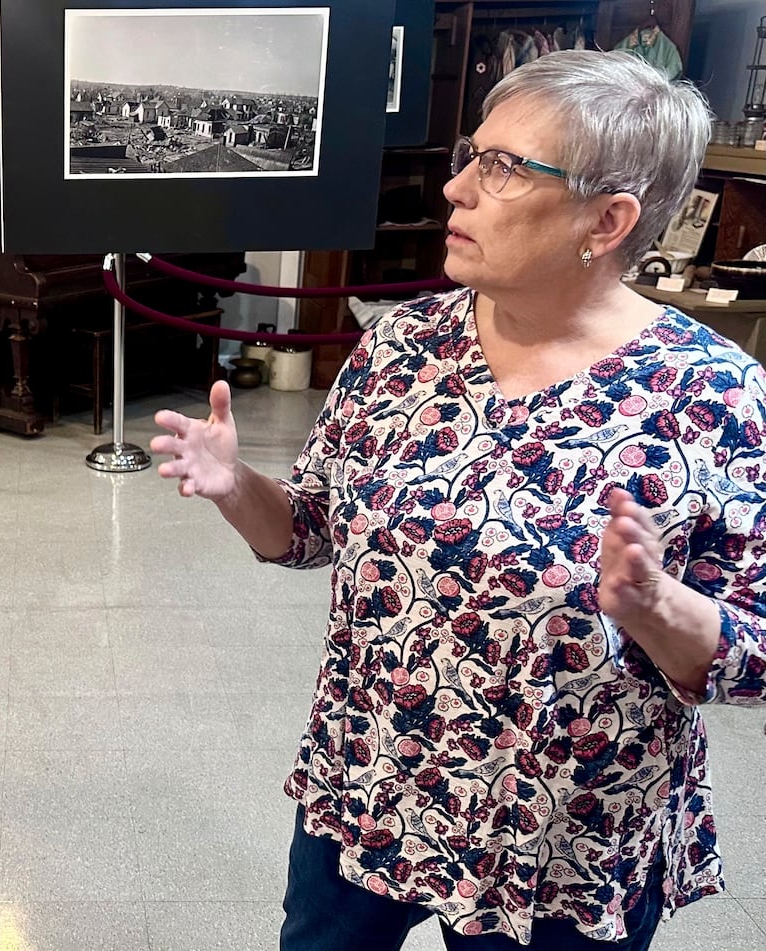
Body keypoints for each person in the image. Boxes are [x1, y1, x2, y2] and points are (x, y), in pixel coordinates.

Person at [153, 51, 766, 950]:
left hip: (563, 821)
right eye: (471, 153)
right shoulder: (404, 347)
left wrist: (657, 607)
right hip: (372, 770)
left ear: (608, 218)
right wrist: (234, 486)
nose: (456, 190)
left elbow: (754, 648)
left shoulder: (715, 397)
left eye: (504, 168)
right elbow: (311, 529)